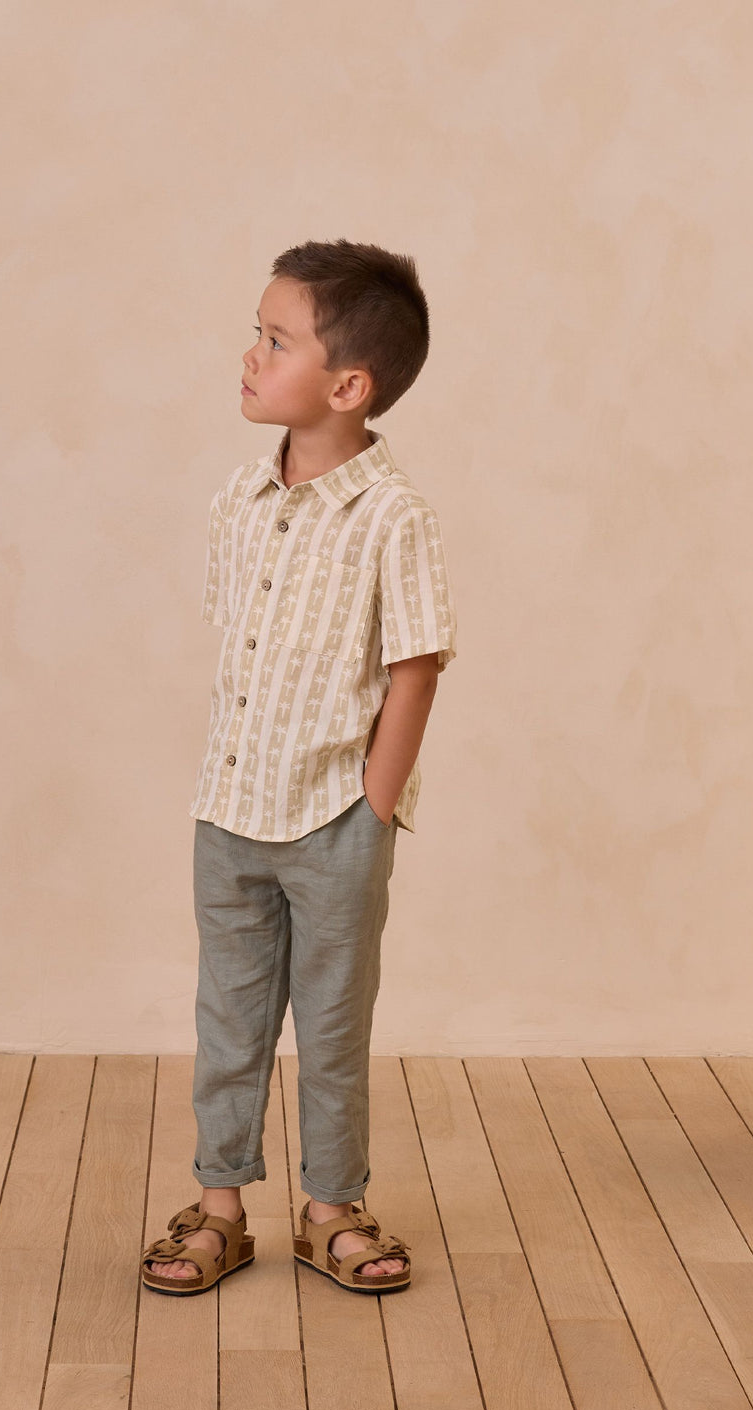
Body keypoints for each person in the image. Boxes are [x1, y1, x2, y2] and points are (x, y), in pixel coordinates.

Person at [141, 238, 457, 1296]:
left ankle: (333, 1209)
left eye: (275, 341)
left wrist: (373, 809)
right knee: (226, 1022)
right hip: (230, 811)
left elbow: (414, 667)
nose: (249, 354)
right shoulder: (242, 500)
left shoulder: (391, 517)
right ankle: (219, 1209)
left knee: (330, 1027)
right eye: (257, 333)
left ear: (347, 384)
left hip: (334, 822)